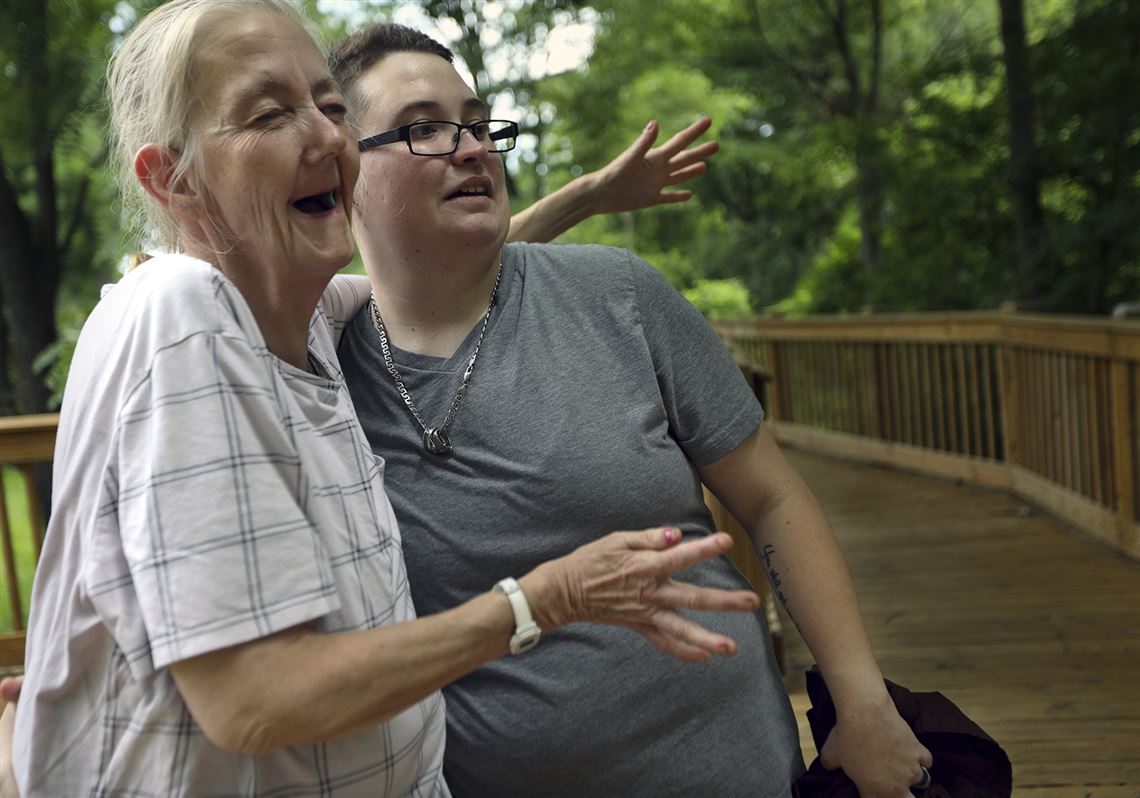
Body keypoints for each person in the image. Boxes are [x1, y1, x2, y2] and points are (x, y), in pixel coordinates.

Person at [2, 2, 770, 795]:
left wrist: (588, 195)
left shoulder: (305, 318)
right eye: (269, 114)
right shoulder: (181, 311)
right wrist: (543, 599)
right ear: (173, 180)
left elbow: (433, 266)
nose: (327, 137)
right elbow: (253, 700)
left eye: (331, 108)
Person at [324, 22, 935, 798]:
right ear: (342, 169)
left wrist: (864, 704)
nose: (471, 147)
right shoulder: (319, 372)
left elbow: (772, 498)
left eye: (478, 125)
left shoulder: (619, 296)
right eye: (425, 129)